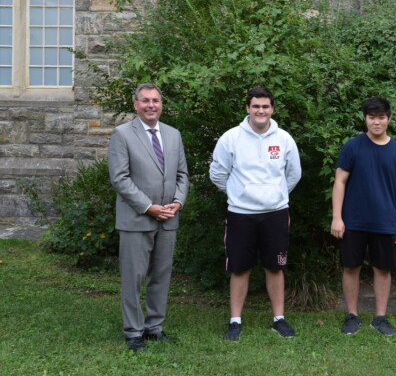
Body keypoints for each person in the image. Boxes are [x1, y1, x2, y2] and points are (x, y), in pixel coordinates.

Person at [210, 86, 302, 340]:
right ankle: (235, 321)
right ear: (247, 108)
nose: (260, 111)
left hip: (275, 213)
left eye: (265, 106)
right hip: (240, 213)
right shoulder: (231, 138)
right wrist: (239, 194)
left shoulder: (284, 138)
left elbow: (293, 174)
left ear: (272, 108)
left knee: (275, 267)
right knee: (239, 268)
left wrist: (276, 193)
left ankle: (279, 319)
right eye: (256, 106)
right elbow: (217, 174)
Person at [107, 83, 189, 351]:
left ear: (161, 104)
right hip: (137, 219)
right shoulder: (122, 135)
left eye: (155, 100)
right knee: (133, 278)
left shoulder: (173, 134)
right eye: (145, 101)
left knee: (161, 276)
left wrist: (177, 202)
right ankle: (133, 332)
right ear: (135, 104)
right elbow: (120, 178)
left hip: (168, 218)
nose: (151, 105)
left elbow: (182, 175)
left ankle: (154, 327)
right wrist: (148, 206)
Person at [330, 97, 396, 336]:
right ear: (365, 119)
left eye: (381, 117)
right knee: (351, 267)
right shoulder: (352, 146)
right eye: (371, 117)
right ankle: (352, 315)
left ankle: (380, 317)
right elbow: (339, 182)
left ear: (388, 119)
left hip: (385, 221)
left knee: (383, 269)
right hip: (353, 220)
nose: (376, 122)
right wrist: (337, 217)